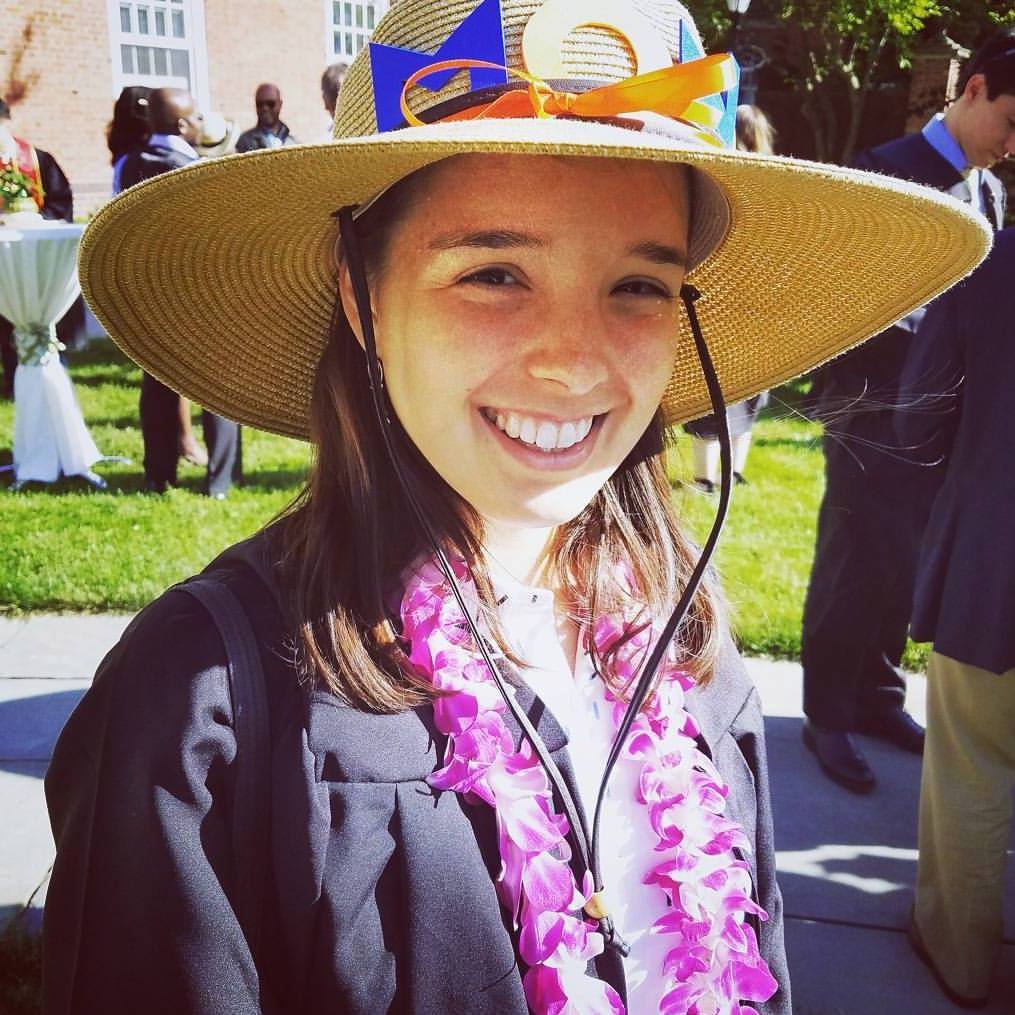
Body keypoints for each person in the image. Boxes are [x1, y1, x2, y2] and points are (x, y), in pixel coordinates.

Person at [42, 1, 987, 1011]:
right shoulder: (204, 704)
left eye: (638, 285)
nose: (573, 362)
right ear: (361, 295)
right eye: (493, 273)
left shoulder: (685, 644)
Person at [798, 28, 1012, 793]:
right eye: (1010, 122)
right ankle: (827, 714)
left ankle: (878, 696)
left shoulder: (986, 190)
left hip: (939, 421)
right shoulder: (882, 172)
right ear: (973, 88)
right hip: (869, 409)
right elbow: (840, 297)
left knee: (904, 567)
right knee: (853, 563)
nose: (1011, 147)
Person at [893, 228, 1015, 1009]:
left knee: (971, 764)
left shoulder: (989, 262)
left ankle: (959, 957)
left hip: (994, 562)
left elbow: (918, 419)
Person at [118, 87, 242, 497]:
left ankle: (158, 474)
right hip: (197, 290)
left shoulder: (127, 165)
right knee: (219, 382)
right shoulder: (195, 170)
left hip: (147, 290)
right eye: (197, 117)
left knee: (157, 381)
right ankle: (221, 478)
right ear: (183, 125)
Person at [683, 105, 775, 492]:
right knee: (726, 396)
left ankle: (716, 475)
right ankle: (720, 473)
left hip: (737, 306)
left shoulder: (733, 185)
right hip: (743, 307)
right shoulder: (769, 189)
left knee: (727, 396)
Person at [0, 98, 77, 398]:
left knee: (41, 312)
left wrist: (32, 219)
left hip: (36, 255)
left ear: (7, 121)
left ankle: (50, 370)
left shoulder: (37, 160)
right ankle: (13, 378)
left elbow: (61, 201)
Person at [235, 83, 296, 152]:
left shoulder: (294, 144)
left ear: (280, 104)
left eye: (270, 104)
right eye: (259, 104)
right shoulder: (245, 141)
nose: (265, 109)